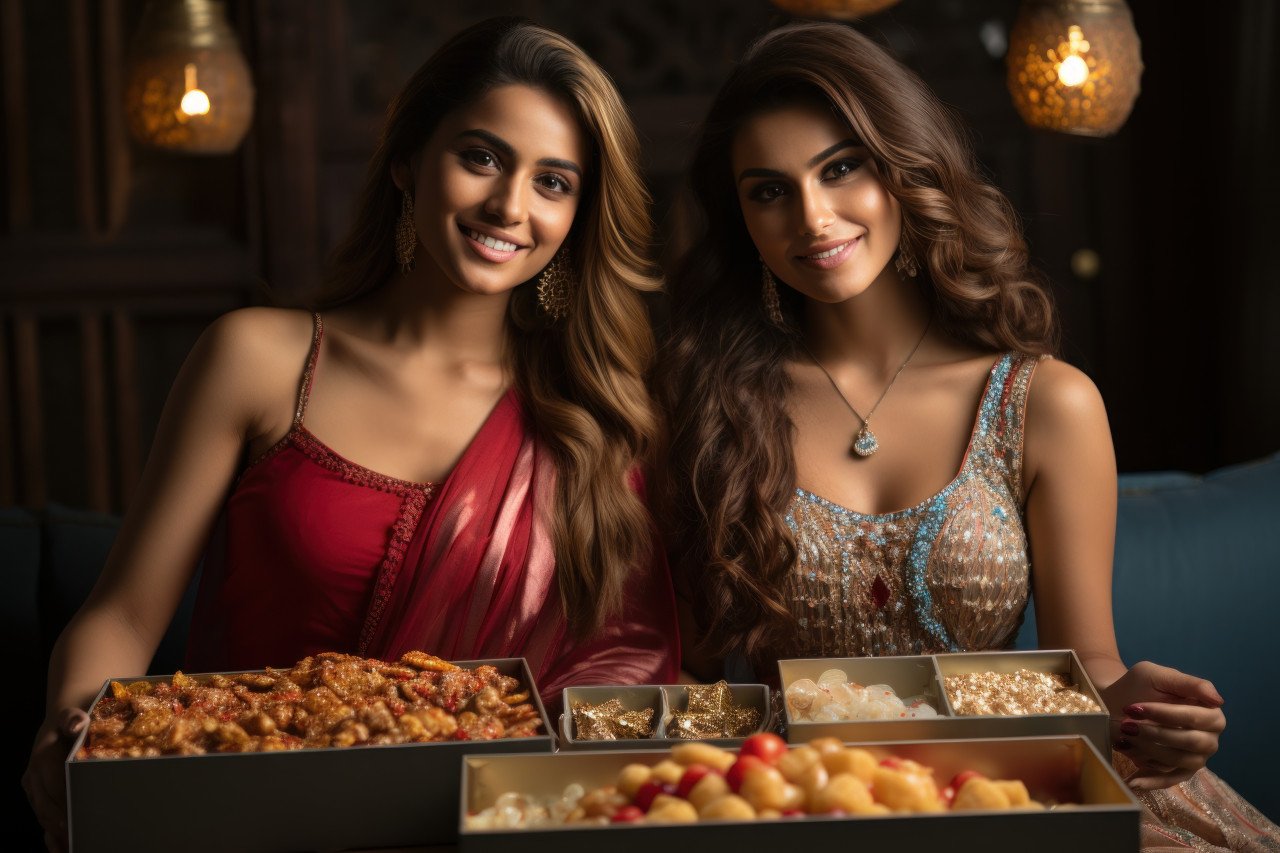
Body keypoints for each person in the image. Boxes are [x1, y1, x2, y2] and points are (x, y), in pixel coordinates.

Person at [26, 17, 678, 850]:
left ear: (579, 214)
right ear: (407, 161)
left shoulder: (596, 417)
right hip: (252, 816)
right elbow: (122, 614)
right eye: (481, 158)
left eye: (552, 182)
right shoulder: (261, 359)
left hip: (499, 826)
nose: (510, 206)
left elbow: (625, 670)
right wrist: (69, 728)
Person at [657, 21, 1276, 850]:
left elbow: (1085, 665)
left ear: (904, 168)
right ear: (741, 218)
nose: (812, 216)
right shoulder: (713, 407)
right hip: (808, 802)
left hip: (1015, 788)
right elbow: (695, 678)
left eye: (842, 168)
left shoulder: (1043, 402)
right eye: (769, 191)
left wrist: (1141, 714)